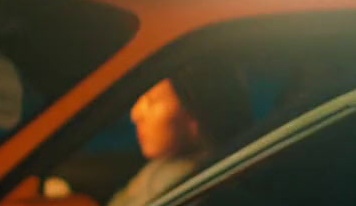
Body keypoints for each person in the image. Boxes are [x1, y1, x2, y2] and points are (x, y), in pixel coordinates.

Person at [107, 66, 251, 206]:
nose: (135, 114)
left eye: (153, 101)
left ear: (194, 115)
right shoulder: (168, 163)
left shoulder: (186, 185)